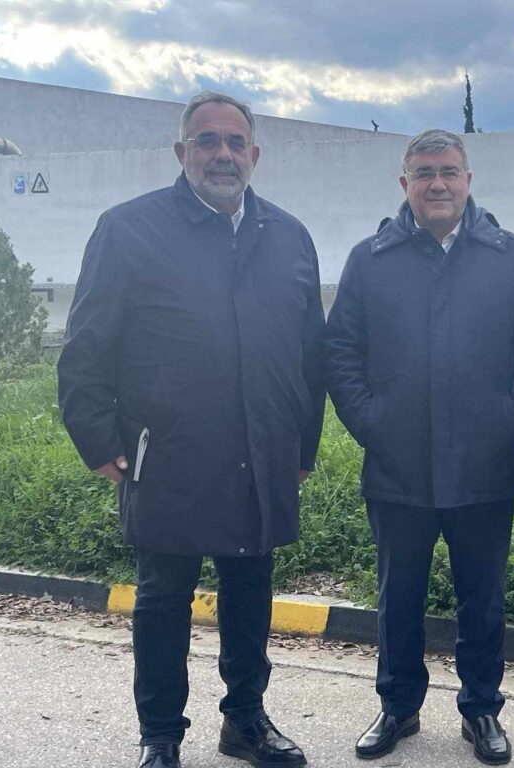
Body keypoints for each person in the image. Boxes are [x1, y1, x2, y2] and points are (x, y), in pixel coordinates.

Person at [57, 91, 325, 768]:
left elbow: (309, 353)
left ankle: (245, 722)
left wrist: (302, 443)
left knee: (249, 593)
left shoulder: (289, 236)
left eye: (235, 142)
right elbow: (86, 346)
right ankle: (160, 737)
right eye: (207, 140)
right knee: (163, 599)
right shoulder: (128, 229)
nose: (222, 154)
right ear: (182, 152)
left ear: (255, 154)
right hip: (168, 452)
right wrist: (97, 438)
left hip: (261, 449)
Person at [323, 128, 514, 765]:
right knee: (397, 597)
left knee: (483, 598)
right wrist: (374, 424)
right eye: (424, 173)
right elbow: (340, 351)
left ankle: (481, 709)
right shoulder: (371, 259)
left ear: (468, 180)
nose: (438, 184)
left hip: (485, 467)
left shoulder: (510, 255)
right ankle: (398, 706)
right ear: (405, 184)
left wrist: (507, 424)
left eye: (449, 171)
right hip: (397, 468)